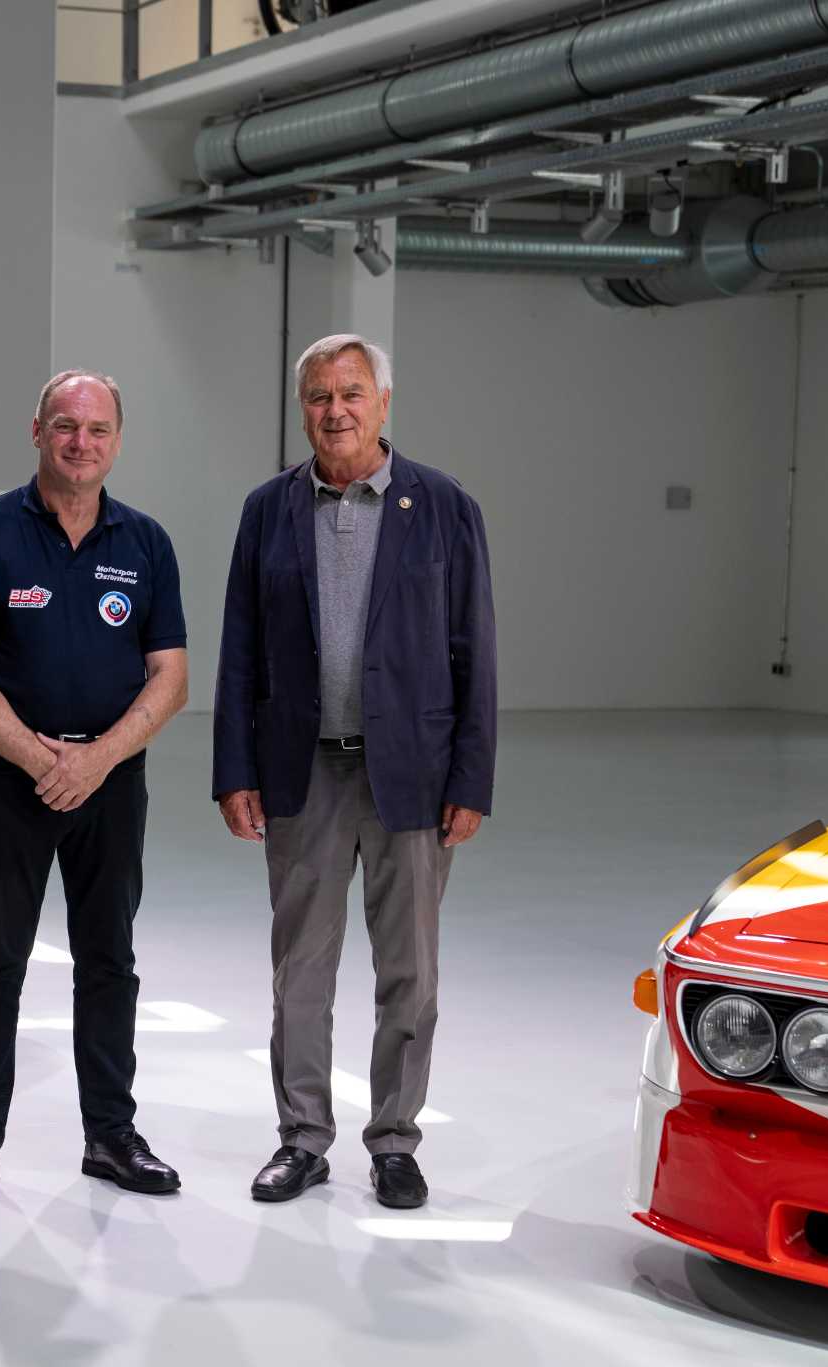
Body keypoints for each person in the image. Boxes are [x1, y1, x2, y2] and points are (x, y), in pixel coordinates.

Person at [211, 333, 496, 1210]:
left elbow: (473, 650)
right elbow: (240, 647)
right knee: (300, 967)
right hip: (303, 773)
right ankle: (301, 1139)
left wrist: (470, 781)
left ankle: (395, 1141)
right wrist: (234, 767)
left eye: (350, 393)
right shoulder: (268, 511)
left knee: (408, 972)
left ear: (382, 403)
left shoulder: (442, 507)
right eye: (318, 397)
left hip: (409, 775)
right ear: (302, 408)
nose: (334, 411)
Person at [0, 369, 190, 1204]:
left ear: (118, 439)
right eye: (66, 426)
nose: (82, 443)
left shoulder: (144, 543)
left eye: (98, 429)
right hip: (11, 783)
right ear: (36, 430)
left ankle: (110, 1136)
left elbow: (171, 677)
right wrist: (44, 763)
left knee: (109, 960)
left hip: (110, 786)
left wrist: (97, 759)